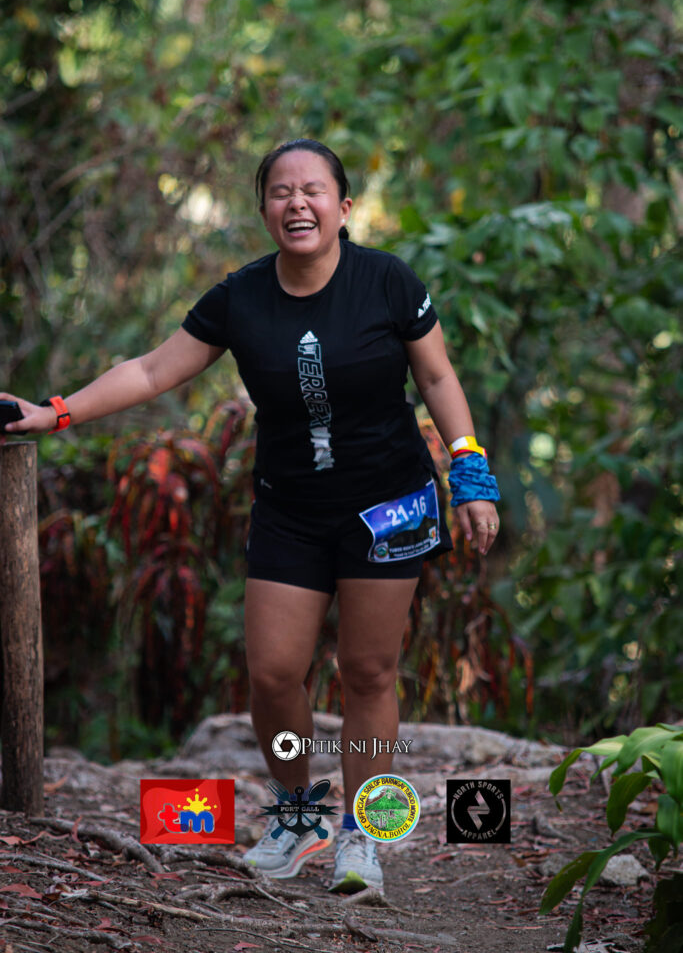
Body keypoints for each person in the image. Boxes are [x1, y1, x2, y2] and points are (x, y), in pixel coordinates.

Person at [1, 138, 500, 895]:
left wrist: (469, 471)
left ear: (343, 207)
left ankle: (362, 833)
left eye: (312, 191)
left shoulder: (387, 283)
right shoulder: (239, 297)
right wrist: (57, 412)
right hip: (291, 510)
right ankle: (298, 816)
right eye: (279, 192)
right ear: (263, 207)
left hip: (387, 505)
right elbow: (152, 368)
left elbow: (435, 373)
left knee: (367, 671)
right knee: (271, 674)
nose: (296, 203)